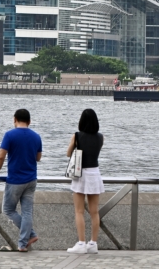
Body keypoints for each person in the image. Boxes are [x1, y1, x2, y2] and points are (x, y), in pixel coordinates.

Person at [0, 109, 42, 252]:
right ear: (29, 121)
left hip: (15, 180)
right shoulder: (36, 136)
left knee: (7, 209)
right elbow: (38, 158)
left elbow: (1, 156)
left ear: (15, 119)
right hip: (31, 179)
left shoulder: (10, 135)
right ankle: (22, 243)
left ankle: (30, 234)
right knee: (27, 212)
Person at [66, 109, 104, 254]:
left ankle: (81, 243)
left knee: (79, 211)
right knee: (94, 212)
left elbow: (68, 153)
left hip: (80, 174)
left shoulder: (77, 136)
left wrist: (73, 144)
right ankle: (93, 243)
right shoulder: (101, 137)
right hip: (95, 173)